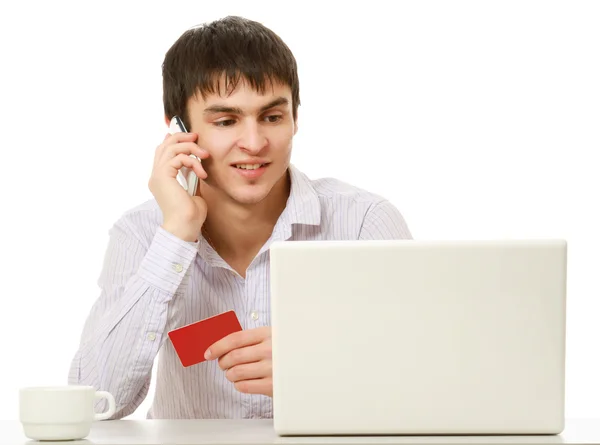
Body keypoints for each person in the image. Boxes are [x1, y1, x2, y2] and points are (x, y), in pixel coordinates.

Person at [68, 15, 412, 420]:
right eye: (226, 121)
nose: (254, 143)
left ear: (295, 118)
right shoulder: (141, 234)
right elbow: (92, 405)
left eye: (271, 117)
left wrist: (319, 371)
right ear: (178, 130)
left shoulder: (363, 223)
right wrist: (176, 235)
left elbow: (428, 380)